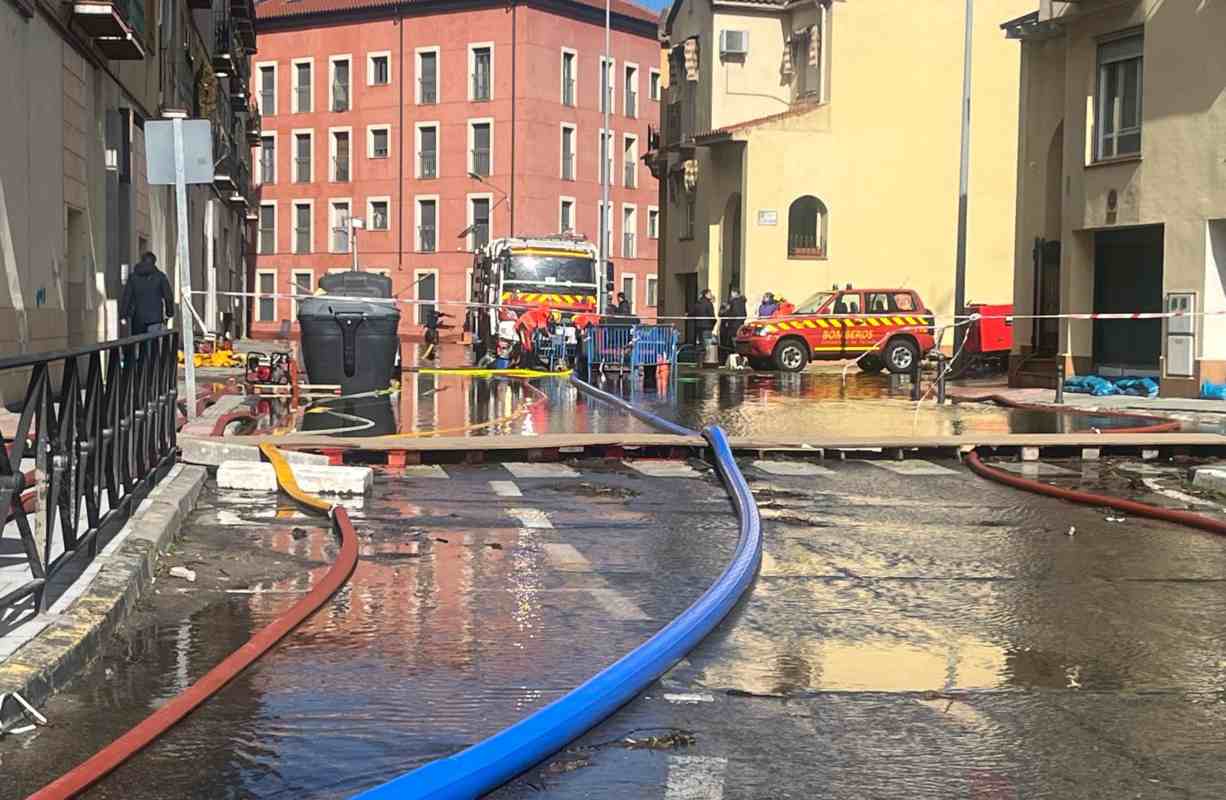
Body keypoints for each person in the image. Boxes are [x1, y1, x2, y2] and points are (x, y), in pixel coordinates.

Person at [120, 252, 174, 334]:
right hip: (155, 318)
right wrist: (169, 313)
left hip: (137, 318)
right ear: (154, 262)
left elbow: (127, 297)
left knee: (138, 343)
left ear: (141, 261)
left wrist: (123, 315)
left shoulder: (133, 277)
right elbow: (168, 296)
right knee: (153, 344)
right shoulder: (160, 276)